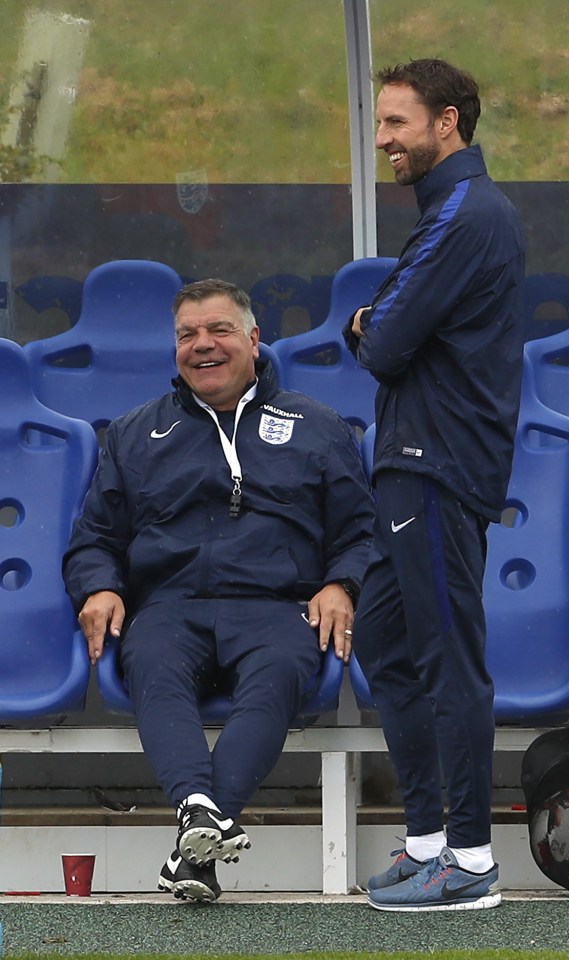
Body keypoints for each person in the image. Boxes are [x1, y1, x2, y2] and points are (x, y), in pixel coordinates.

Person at [64, 278, 374, 903]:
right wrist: (99, 587)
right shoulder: (134, 434)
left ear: (254, 340)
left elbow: (362, 533)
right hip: (169, 608)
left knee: (282, 670)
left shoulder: (318, 427)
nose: (202, 345)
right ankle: (202, 828)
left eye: (219, 331)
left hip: (277, 608)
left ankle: (195, 832)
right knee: (150, 662)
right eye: (187, 335)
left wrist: (343, 584)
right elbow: (94, 537)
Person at [343, 58, 525, 911]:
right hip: (409, 467)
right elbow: (388, 331)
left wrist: (369, 325)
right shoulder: (449, 210)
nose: (381, 141)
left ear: (445, 122)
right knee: (386, 645)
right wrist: (376, 324)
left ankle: (473, 861)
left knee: (450, 664)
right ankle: (425, 842)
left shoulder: (464, 211)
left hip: (437, 469)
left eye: (394, 124)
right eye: (379, 125)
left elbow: (380, 343)